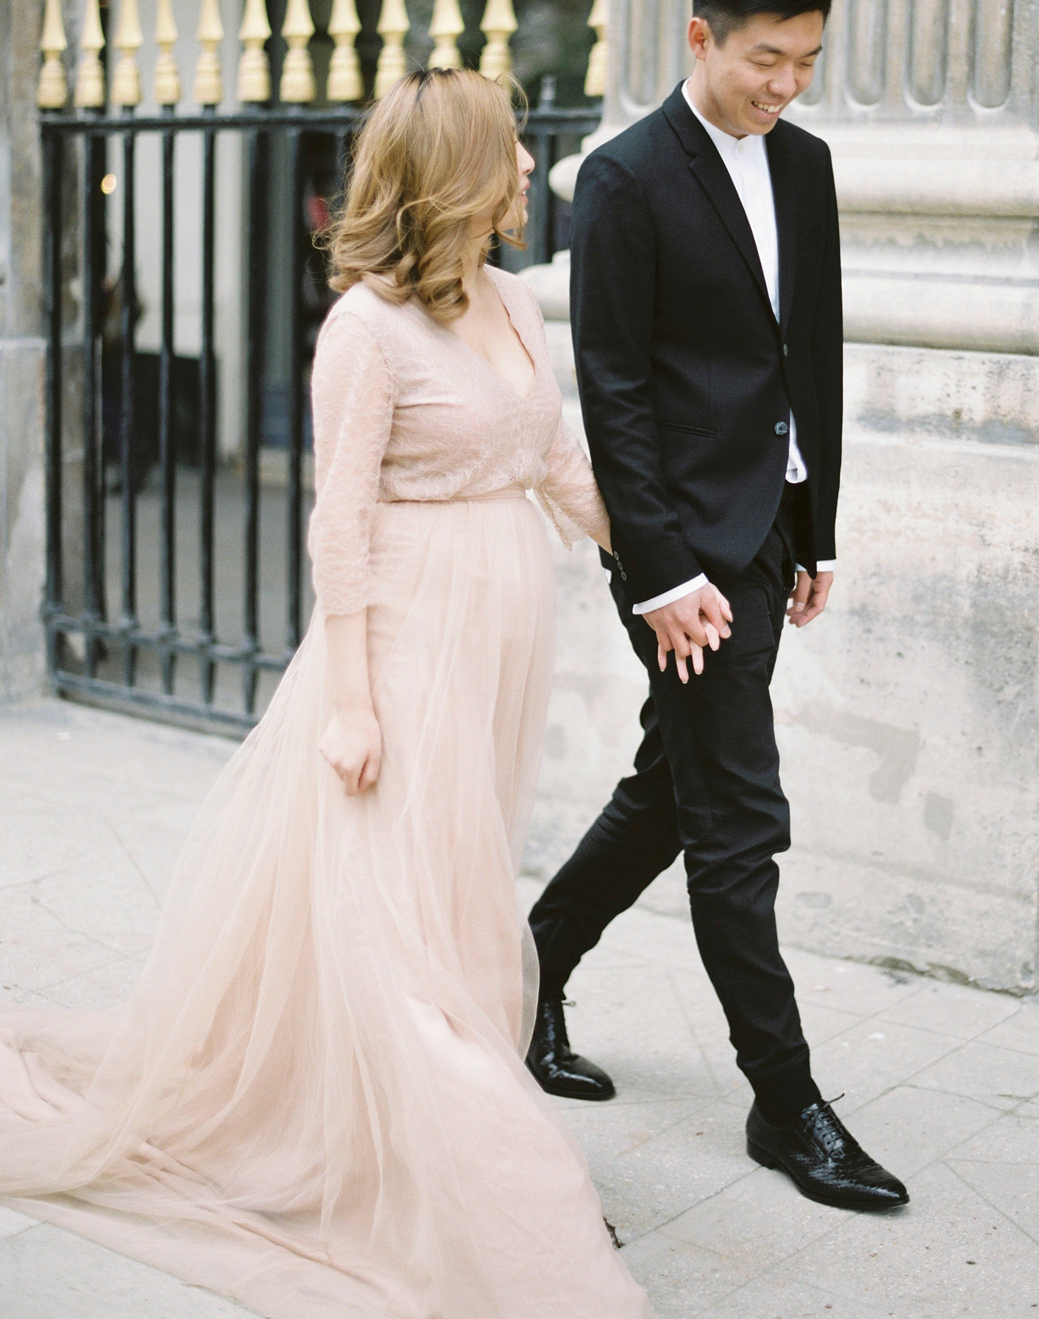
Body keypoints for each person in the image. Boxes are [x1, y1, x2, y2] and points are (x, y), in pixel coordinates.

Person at [0, 69, 652, 1319]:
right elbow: (337, 526)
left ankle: (417, 1135)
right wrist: (351, 701)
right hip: (403, 648)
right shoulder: (367, 330)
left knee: (457, 903)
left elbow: (557, 460)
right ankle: (500, 1195)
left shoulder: (514, 301)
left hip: (495, 650)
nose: (530, 170)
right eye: (512, 150)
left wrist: (665, 567)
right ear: (457, 171)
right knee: (393, 921)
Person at [525, 0, 908, 1213]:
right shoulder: (626, 178)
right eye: (766, 58)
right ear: (700, 35)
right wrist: (661, 569)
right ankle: (786, 1102)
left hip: (765, 532)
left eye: (806, 60)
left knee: (680, 785)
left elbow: (812, 359)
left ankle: (528, 968)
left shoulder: (804, 165)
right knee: (738, 816)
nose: (786, 83)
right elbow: (613, 389)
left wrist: (819, 530)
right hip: (675, 554)